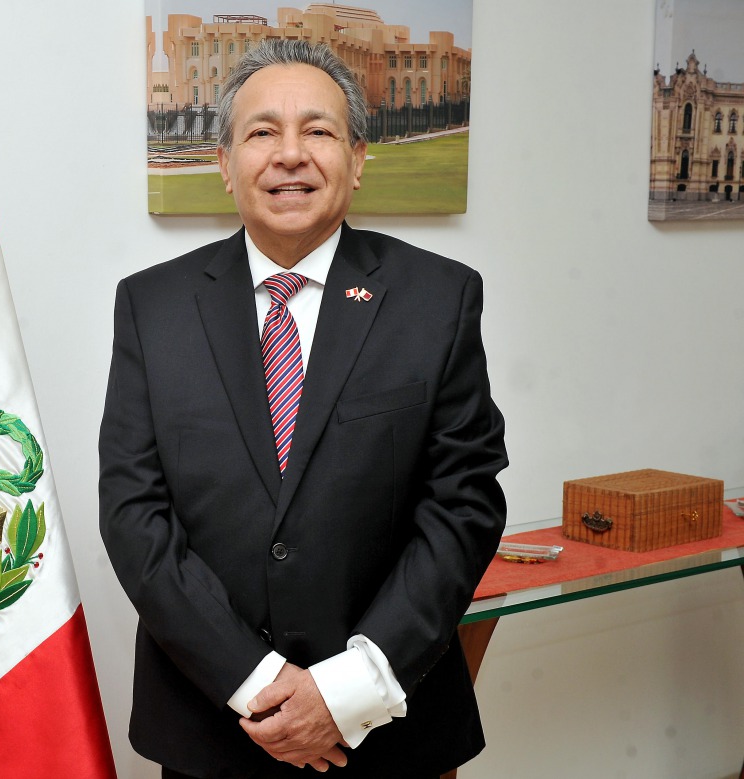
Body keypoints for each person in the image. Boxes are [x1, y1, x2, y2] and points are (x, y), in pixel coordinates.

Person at [99, 39, 507, 778]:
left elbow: (464, 505)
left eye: (317, 131)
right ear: (224, 163)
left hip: (388, 734)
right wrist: (260, 686)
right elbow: (135, 515)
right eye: (261, 132)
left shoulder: (437, 299)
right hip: (212, 730)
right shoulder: (151, 307)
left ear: (356, 159)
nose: (290, 155)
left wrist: (344, 689)